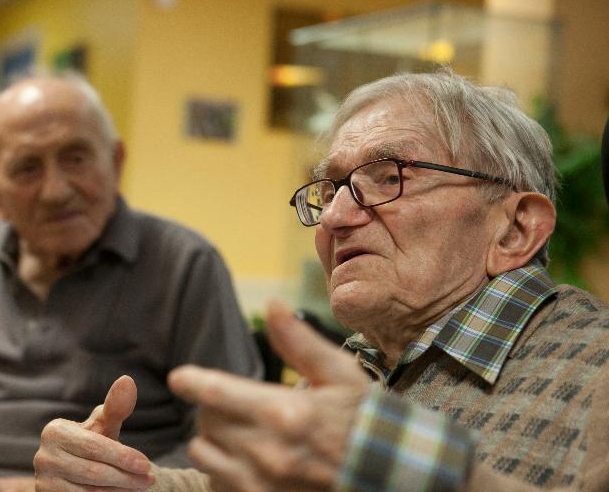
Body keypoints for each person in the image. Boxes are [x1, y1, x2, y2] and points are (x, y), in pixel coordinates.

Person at [32, 70, 609, 492]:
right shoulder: (362, 362)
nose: (334, 216)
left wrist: (419, 472)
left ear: (514, 229)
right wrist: (128, 481)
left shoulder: (596, 367)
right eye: (330, 189)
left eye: (388, 177)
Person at [0, 73, 262, 492]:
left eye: (76, 158)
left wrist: (122, 480)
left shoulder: (185, 263)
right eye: (27, 168)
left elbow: (231, 441)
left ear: (116, 161)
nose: (55, 190)